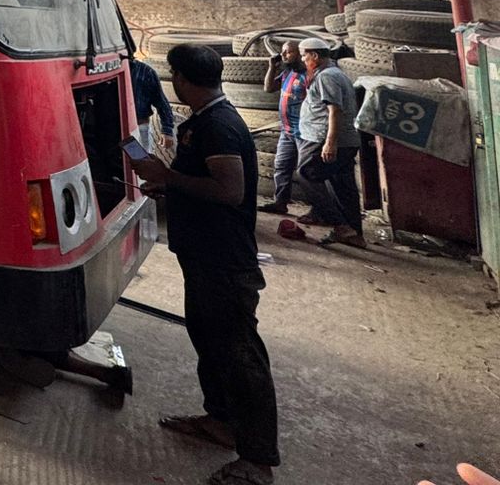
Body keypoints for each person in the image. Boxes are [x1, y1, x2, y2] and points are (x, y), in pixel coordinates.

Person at [134, 43, 279, 485]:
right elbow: (205, 185)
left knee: (239, 353)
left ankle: (257, 460)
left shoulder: (219, 125)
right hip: (202, 252)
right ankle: (220, 420)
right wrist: (171, 191)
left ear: (180, 77)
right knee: (209, 338)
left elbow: (229, 190)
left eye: (173, 74)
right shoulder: (204, 120)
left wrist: (167, 178)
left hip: (223, 257)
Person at [294, 37, 365, 249]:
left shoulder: (327, 77)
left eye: (304, 55)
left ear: (315, 56)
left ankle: (340, 225)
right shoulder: (334, 74)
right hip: (345, 140)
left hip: (323, 138)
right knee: (343, 186)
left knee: (306, 174)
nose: (303, 59)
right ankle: (354, 234)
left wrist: (329, 143)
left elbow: (334, 111)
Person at [258, 41, 308, 215]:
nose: (284, 55)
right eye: (283, 52)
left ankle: (320, 211)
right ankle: (280, 202)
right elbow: (268, 88)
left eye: (288, 52)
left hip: (304, 133)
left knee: (307, 172)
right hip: (287, 131)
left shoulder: (308, 75)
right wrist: (272, 67)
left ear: (300, 53)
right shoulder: (288, 73)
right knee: (281, 167)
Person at [129, 55, 175, 146]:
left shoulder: (145, 71)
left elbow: (161, 101)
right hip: (114, 128)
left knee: (143, 158)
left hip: (140, 126)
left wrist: (167, 130)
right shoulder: (105, 69)